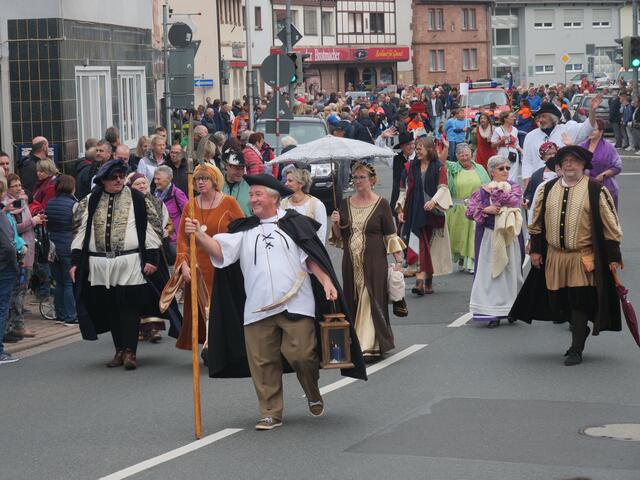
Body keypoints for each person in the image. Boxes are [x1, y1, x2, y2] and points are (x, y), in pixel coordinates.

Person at [185, 173, 366, 430]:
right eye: (251, 195)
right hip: (257, 308)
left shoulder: (295, 224)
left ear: (274, 198)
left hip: (296, 304)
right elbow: (221, 251)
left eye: (258, 194)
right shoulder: (244, 230)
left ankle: (312, 390)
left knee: (302, 354)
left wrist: (326, 281)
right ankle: (270, 412)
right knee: (263, 362)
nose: (253, 199)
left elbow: (311, 257)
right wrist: (199, 236)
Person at [510, 145, 623, 366]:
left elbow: (611, 226)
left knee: (579, 300)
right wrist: (536, 250)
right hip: (554, 256)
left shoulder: (595, 190)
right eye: (565, 161)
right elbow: (536, 222)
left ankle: (576, 348)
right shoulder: (547, 189)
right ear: (559, 166)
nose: (569, 164)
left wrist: (613, 256)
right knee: (559, 301)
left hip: (582, 257)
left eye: (574, 161)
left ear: (583, 165)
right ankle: (580, 330)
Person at [70, 160, 172, 370]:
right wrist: (75, 261)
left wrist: (152, 258)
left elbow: (151, 228)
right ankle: (119, 350)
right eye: (113, 177)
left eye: (121, 176)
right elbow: (81, 231)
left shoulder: (137, 198)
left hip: (130, 262)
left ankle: (130, 352)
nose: (118, 180)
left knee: (129, 307)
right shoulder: (91, 200)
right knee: (111, 308)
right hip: (100, 264)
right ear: (103, 180)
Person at [330, 162, 405, 358]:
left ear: (372, 180)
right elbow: (339, 236)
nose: (357, 181)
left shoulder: (381, 204)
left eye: (361, 177)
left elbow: (390, 235)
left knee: (369, 298)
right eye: (355, 177)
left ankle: (366, 344)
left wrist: (398, 262)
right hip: (350, 262)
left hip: (374, 262)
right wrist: (335, 223)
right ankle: (356, 342)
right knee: (353, 298)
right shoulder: (345, 203)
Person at [174, 163, 244, 351]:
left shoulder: (229, 202)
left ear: (214, 181)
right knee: (202, 310)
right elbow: (182, 239)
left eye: (205, 178)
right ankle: (209, 347)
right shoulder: (190, 204)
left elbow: (241, 232)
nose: (200, 182)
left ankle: (220, 348)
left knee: (221, 308)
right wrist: (184, 264)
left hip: (222, 266)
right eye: (197, 179)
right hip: (198, 267)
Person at [466, 155, 524, 328]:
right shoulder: (481, 191)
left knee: (511, 271)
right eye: (501, 168)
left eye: (507, 168)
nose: (505, 171)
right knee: (491, 273)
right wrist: (486, 209)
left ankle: (513, 308)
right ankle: (491, 311)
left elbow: (513, 200)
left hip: (509, 236)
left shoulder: (513, 187)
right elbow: (470, 212)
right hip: (489, 236)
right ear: (492, 172)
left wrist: (494, 194)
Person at [398, 137, 453, 295]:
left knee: (430, 247)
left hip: (433, 213)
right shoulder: (410, 167)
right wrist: (401, 209)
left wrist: (433, 201)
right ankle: (420, 282)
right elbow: (403, 190)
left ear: (429, 149)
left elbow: (443, 188)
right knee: (421, 245)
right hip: (414, 212)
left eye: (420, 148)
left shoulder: (439, 167)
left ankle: (428, 280)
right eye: (416, 148)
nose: (417, 151)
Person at [127, 172, 172, 343]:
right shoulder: (128, 204)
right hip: (137, 253)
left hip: (155, 252)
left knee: (156, 289)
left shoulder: (157, 202)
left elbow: (167, 222)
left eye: (144, 183)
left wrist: (166, 231)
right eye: (138, 184)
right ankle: (138, 327)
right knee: (138, 290)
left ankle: (154, 328)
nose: (142, 186)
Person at [521, 97, 601, 187]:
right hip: (538, 184)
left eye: (543, 116)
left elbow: (587, 128)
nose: (540, 120)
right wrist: (527, 187)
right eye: (539, 117)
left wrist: (592, 110)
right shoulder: (530, 136)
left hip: (564, 183)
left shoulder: (567, 129)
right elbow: (527, 163)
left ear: (552, 117)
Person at [446, 143, 490, 273]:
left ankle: (471, 263)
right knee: (460, 237)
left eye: (467, 155)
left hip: (477, 209)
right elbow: (441, 162)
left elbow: (488, 185)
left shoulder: (480, 168)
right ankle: (462, 259)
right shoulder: (453, 169)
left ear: (471, 154)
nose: (465, 158)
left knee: (473, 236)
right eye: (461, 155)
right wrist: (445, 147)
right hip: (459, 209)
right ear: (457, 156)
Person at [5, 174, 40, 340]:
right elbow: (14, 229)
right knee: (17, 292)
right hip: (19, 253)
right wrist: (33, 221)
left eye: (20, 185)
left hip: (28, 250)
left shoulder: (22, 202)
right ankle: (15, 326)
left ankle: (16, 325)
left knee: (22, 290)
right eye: (15, 186)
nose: (19, 188)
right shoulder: (9, 207)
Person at [44, 175, 78, 325]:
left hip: (52, 245)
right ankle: (71, 316)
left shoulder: (50, 203)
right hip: (68, 245)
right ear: (71, 187)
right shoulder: (74, 205)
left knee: (59, 282)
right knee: (69, 282)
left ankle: (60, 315)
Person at [0, 176, 26, 364]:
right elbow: (8, 246)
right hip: (4, 267)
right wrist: (14, 263)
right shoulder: (2, 216)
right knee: (2, 307)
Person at [581, 119, 622, 209]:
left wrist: (602, 175)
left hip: (606, 187)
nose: (591, 132)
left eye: (594, 130)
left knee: (605, 215)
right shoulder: (582, 146)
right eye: (589, 129)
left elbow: (617, 166)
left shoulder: (609, 148)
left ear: (601, 131)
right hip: (584, 187)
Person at [281, 168, 328, 244]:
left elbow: (321, 234)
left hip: (309, 249)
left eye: (290, 181)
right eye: (286, 180)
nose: (286, 184)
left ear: (301, 184)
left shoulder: (316, 204)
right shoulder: (283, 203)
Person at [523, 142, 559, 210]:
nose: (553, 156)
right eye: (549, 154)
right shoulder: (537, 175)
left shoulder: (563, 172)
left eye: (554, 153)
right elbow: (529, 193)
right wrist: (527, 200)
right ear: (543, 157)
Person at [389, 132, 416, 215]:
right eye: (408, 144)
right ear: (401, 147)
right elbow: (380, 152)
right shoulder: (395, 158)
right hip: (399, 200)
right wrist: (382, 138)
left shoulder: (420, 157)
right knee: (399, 222)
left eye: (412, 143)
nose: (411, 146)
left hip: (415, 201)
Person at [491, 111, 521, 183]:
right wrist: (500, 141)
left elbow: (516, 144)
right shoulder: (498, 130)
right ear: (505, 119)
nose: (514, 118)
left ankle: (513, 188)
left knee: (514, 174)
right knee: (503, 172)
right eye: (511, 117)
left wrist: (522, 151)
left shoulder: (515, 130)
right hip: (502, 153)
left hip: (513, 153)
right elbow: (492, 145)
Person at [222, 149, 252, 216]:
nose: (240, 172)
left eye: (242, 169)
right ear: (227, 166)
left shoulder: (250, 187)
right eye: (237, 168)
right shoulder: (218, 185)